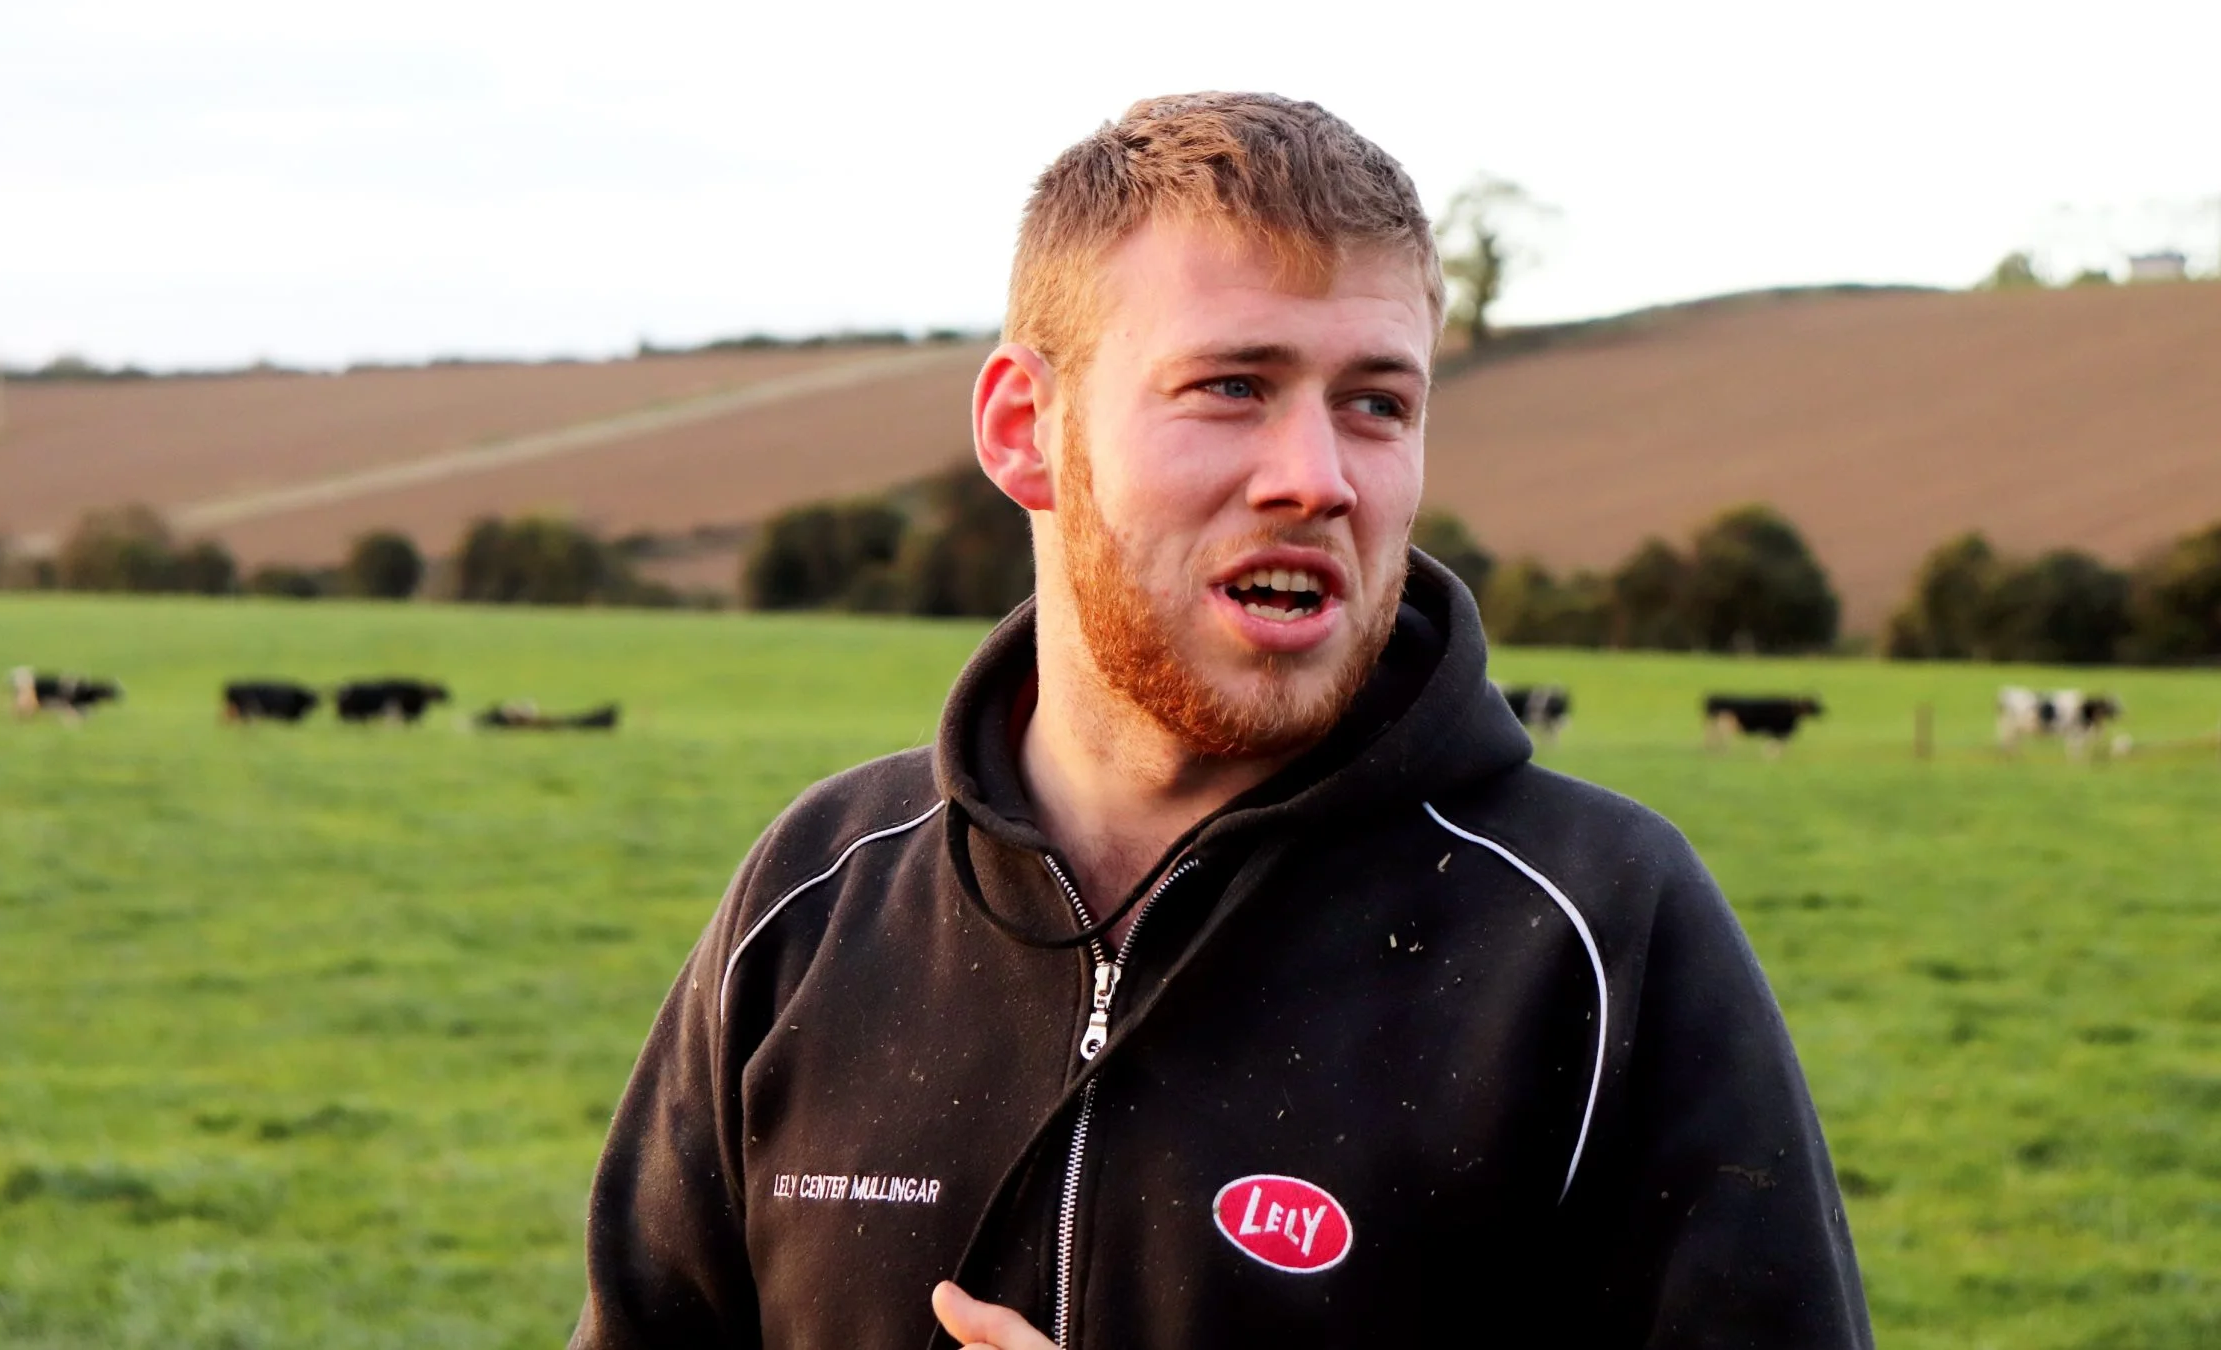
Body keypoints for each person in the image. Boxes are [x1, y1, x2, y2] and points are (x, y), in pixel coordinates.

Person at [571, 92, 1870, 1350]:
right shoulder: (817, 898)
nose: (1317, 479)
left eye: (1379, 403)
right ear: (1028, 428)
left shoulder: (1596, 937)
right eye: (1233, 385)